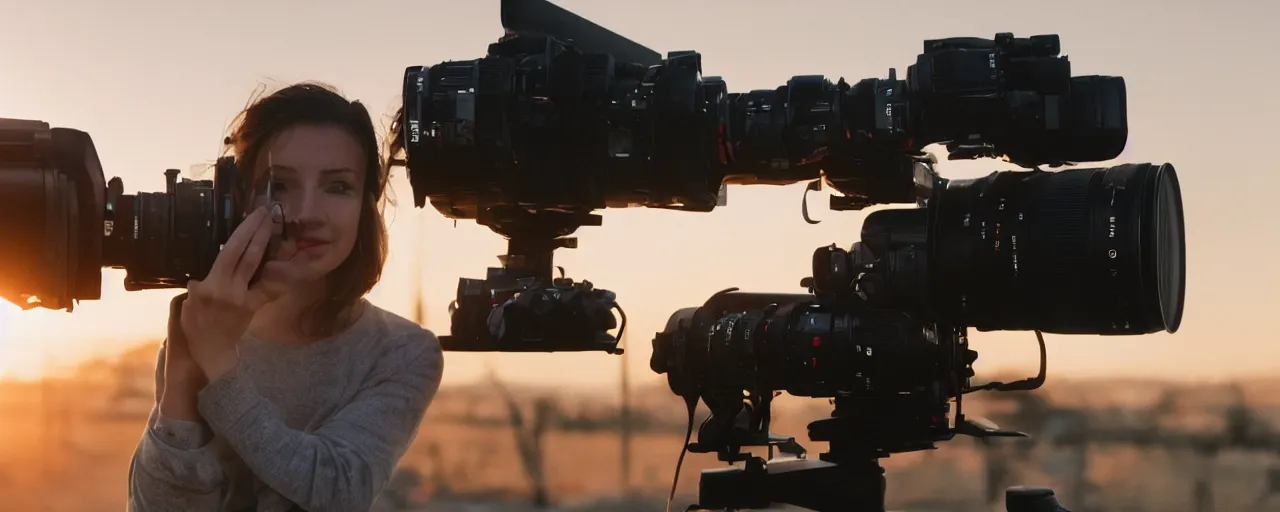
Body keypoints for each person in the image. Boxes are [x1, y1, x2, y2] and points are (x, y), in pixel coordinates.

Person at [126, 82, 444, 512]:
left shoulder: (401, 352)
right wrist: (183, 376)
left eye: (338, 187)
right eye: (278, 186)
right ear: (239, 200)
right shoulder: (204, 327)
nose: (307, 213)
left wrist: (219, 363)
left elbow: (337, 490)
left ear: (366, 205)